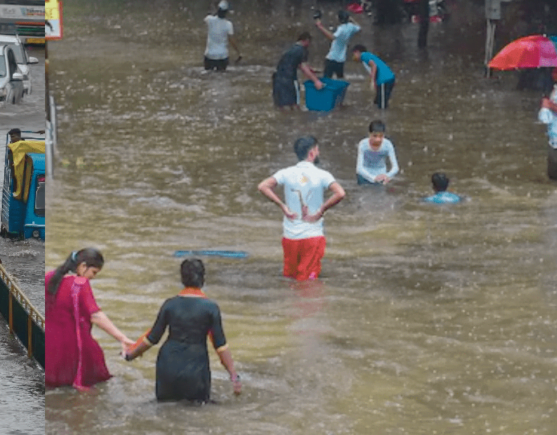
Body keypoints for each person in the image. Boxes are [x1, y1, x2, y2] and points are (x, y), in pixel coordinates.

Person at [123, 259, 242, 402]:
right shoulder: (211, 308)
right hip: (196, 369)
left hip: (167, 367)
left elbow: (152, 338)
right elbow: (220, 346)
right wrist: (234, 376)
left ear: (182, 279)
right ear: (203, 278)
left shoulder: (169, 305)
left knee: (164, 410)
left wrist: (130, 355)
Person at [257, 136, 346, 281]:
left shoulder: (286, 173)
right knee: (308, 283)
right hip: (312, 236)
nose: (319, 153)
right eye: (317, 149)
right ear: (312, 153)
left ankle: (290, 302)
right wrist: (320, 211)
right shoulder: (322, 175)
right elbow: (340, 193)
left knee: (291, 279)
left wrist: (282, 206)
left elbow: (263, 186)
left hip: (290, 237)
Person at [45, 248, 134, 390]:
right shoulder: (80, 284)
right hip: (75, 348)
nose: (93, 277)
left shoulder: (50, 277)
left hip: (50, 347)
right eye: (94, 272)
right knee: (97, 387)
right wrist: (122, 338)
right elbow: (95, 315)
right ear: (83, 266)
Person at [272, 32, 323, 111]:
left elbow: (294, 62)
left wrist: (311, 69)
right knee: (295, 105)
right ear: (306, 41)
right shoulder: (302, 50)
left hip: (277, 78)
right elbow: (303, 67)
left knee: (281, 105)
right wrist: (316, 81)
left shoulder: (291, 48)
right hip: (289, 79)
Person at [316, 10, 360, 80]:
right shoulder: (351, 27)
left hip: (332, 58)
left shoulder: (341, 29)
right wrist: (352, 19)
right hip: (341, 59)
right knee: (340, 79)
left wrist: (320, 27)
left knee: (326, 79)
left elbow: (332, 37)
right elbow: (358, 27)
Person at [356, 120, 399, 185]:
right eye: (375, 136)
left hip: (381, 175)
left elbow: (395, 167)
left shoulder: (387, 145)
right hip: (364, 175)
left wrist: (387, 176)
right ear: (369, 134)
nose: (377, 139)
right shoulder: (363, 145)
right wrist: (373, 178)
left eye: (380, 136)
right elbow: (359, 168)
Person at [353, 44, 396, 109]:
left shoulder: (363, 55)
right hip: (389, 78)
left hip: (384, 80)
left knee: (382, 106)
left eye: (354, 54)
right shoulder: (369, 55)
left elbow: (374, 66)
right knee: (377, 101)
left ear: (357, 52)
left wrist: (372, 82)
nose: (354, 57)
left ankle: (383, 117)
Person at [203, 0, 239, 72]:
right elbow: (231, 40)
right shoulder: (228, 24)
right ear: (226, 13)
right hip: (222, 56)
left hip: (209, 56)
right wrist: (238, 52)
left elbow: (206, 19)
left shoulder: (209, 19)